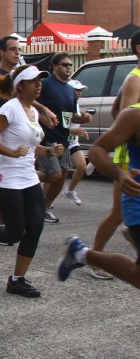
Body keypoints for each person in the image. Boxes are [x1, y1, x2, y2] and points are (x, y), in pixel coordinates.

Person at [0, 65, 61, 298]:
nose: (39, 85)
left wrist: (51, 151)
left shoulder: (32, 112)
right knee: (14, 233)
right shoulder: (10, 109)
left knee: (35, 228)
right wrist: (10, 152)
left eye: (40, 81)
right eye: (34, 81)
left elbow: (32, 149)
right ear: (20, 85)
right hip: (8, 178)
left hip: (28, 176)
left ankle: (17, 280)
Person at [0, 36, 58, 225]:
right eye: (13, 49)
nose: (17, 53)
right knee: (1, 182)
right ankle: (2, 227)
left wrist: (42, 109)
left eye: (19, 49)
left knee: (18, 174)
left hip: (16, 135)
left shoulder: (17, 78)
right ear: (2, 52)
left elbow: (24, 98)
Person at [58, 101, 140, 288]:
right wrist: (119, 174)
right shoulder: (134, 116)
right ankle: (83, 254)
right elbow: (97, 150)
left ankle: (80, 253)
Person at [88, 31, 140, 279]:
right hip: (127, 157)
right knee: (118, 212)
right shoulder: (135, 79)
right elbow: (125, 120)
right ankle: (93, 257)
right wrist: (121, 170)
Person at [36, 52, 91, 223]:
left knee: (61, 176)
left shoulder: (69, 90)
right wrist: (42, 113)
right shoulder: (44, 84)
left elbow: (69, 117)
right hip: (46, 138)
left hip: (63, 139)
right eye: (65, 65)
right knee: (54, 175)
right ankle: (24, 175)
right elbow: (26, 101)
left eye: (70, 65)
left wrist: (81, 118)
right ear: (54, 66)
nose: (68, 68)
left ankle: (44, 208)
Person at [62, 79, 90, 206]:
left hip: (73, 143)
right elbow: (62, 129)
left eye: (80, 91)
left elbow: (77, 121)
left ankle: (70, 190)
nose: (79, 93)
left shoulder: (76, 105)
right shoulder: (64, 104)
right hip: (62, 143)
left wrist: (85, 119)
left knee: (82, 166)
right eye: (76, 90)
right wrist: (76, 131)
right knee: (57, 176)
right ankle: (45, 200)